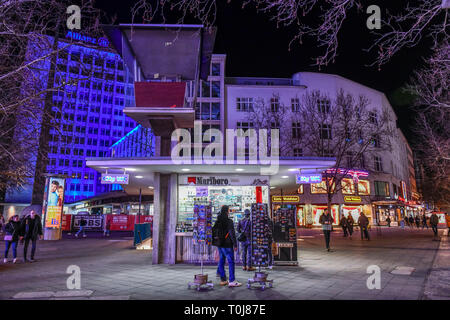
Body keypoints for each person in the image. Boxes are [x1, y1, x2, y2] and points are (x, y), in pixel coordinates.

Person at [212, 205, 241, 287]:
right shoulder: (229, 221)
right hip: (227, 244)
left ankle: (223, 279)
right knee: (231, 262)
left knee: (221, 261)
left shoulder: (217, 221)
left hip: (220, 244)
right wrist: (235, 244)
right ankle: (232, 280)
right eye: (229, 210)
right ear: (227, 211)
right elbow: (232, 233)